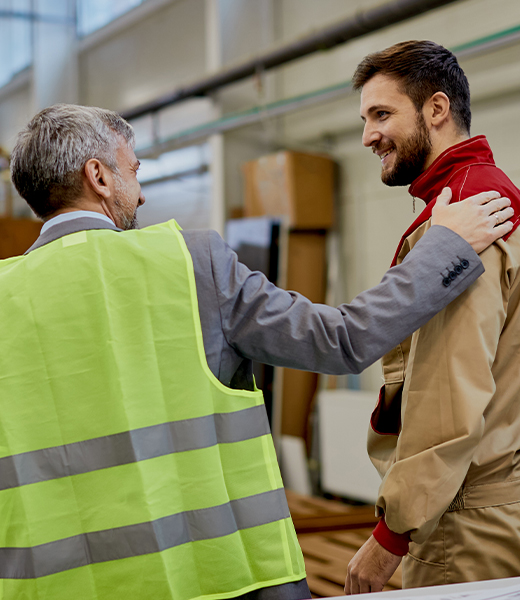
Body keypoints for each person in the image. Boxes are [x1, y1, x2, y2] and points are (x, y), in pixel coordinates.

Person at [1, 104, 511, 600]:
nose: (142, 191)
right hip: (214, 581)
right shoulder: (189, 264)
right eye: (133, 170)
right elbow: (342, 340)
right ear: (99, 176)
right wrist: (444, 248)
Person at [345, 40, 520, 594]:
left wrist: (391, 538)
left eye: (382, 114)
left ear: (436, 109)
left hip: (465, 518)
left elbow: (448, 393)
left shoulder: (463, 222)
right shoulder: (497, 199)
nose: (368, 135)